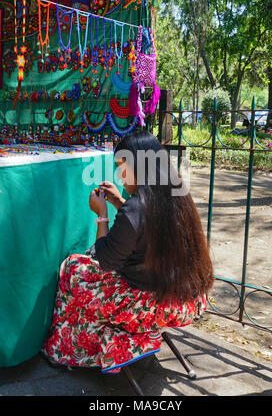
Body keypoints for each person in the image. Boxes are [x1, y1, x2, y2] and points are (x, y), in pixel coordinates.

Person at [42, 130, 214, 374]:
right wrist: (118, 203)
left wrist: (101, 213)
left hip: (145, 306)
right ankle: (108, 340)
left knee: (73, 268)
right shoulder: (176, 194)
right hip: (185, 301)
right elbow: (146, 229)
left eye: (122, 167)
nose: (120, 175)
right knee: (85, 271)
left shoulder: (136, 208)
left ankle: (71, 351)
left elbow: (106, 260)